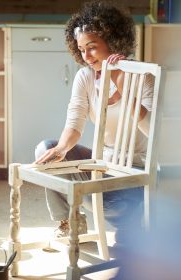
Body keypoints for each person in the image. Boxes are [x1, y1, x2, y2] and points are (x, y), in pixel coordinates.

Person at [34, 1, 154, 243]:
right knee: (46, 149)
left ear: (113, 40)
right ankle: (70, 222)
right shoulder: (85, 77)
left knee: (92, 197)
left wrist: (121, 82)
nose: (85, 57)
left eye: (92, 47)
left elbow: (151, 130)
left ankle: (133, 227)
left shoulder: (145, 77)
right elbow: (75, 122)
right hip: (104, 165)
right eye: (80, 49)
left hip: (135, 176)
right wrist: (61, 149)